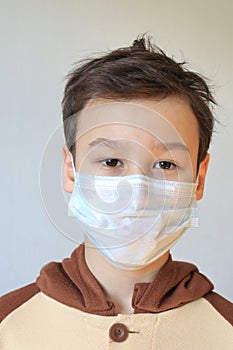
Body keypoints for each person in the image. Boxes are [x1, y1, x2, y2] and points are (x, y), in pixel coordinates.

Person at [0, 36, 232, 349]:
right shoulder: (8, 326)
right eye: (112, 161)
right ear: (71, 170)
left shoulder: (225, 329)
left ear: (199, 178)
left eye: (165, 164)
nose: (136, 196)